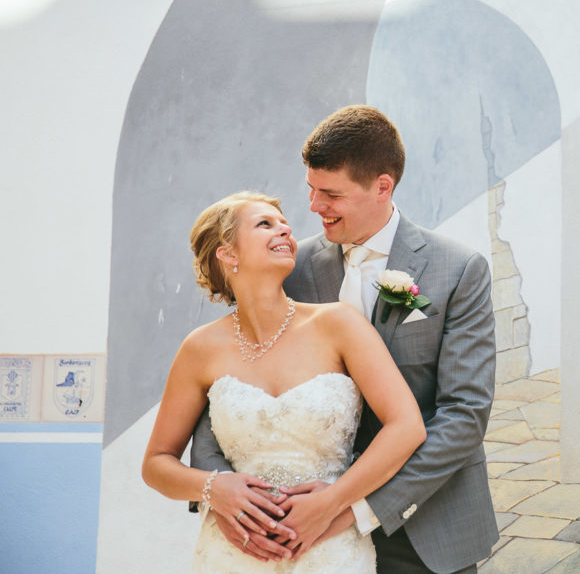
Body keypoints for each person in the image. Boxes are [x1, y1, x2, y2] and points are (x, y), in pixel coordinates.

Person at [191, 105, 499, 573]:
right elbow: (227, 384)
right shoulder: (288, 267)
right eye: (311, 191)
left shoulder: (459, 270)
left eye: (330, 194)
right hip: (294, 531)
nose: (314, 207)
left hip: (424, 522)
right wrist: (223, 493)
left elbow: (463, 414)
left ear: (382, 186)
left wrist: (352, 507)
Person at [143, 191, 426, 572]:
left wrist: (333, 501)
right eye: (265, 224)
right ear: (228, 254)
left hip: (329, 548)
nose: (285, 229)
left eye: (284, 223)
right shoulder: (200, 349)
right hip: (233, 554)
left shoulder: (338, 324)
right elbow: (156, 464)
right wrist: (213, 489)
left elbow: (407, 427)